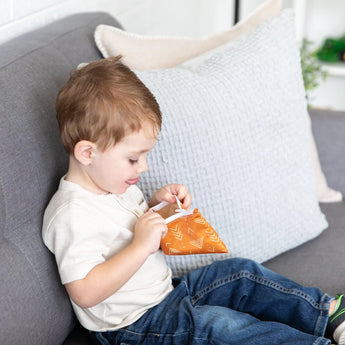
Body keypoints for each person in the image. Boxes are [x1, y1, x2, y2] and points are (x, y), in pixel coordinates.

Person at [42, 57, 345, 345]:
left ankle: (329, 312)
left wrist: (158, 208)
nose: (143, 167)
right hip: (132, 327)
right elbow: (85, 291)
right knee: (219, 326)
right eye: (134, 158)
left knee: (238, 272)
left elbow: (125, 230)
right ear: (87, 153)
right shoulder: (72, 214)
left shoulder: (111, 181)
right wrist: (141, 246)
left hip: (167, 295)